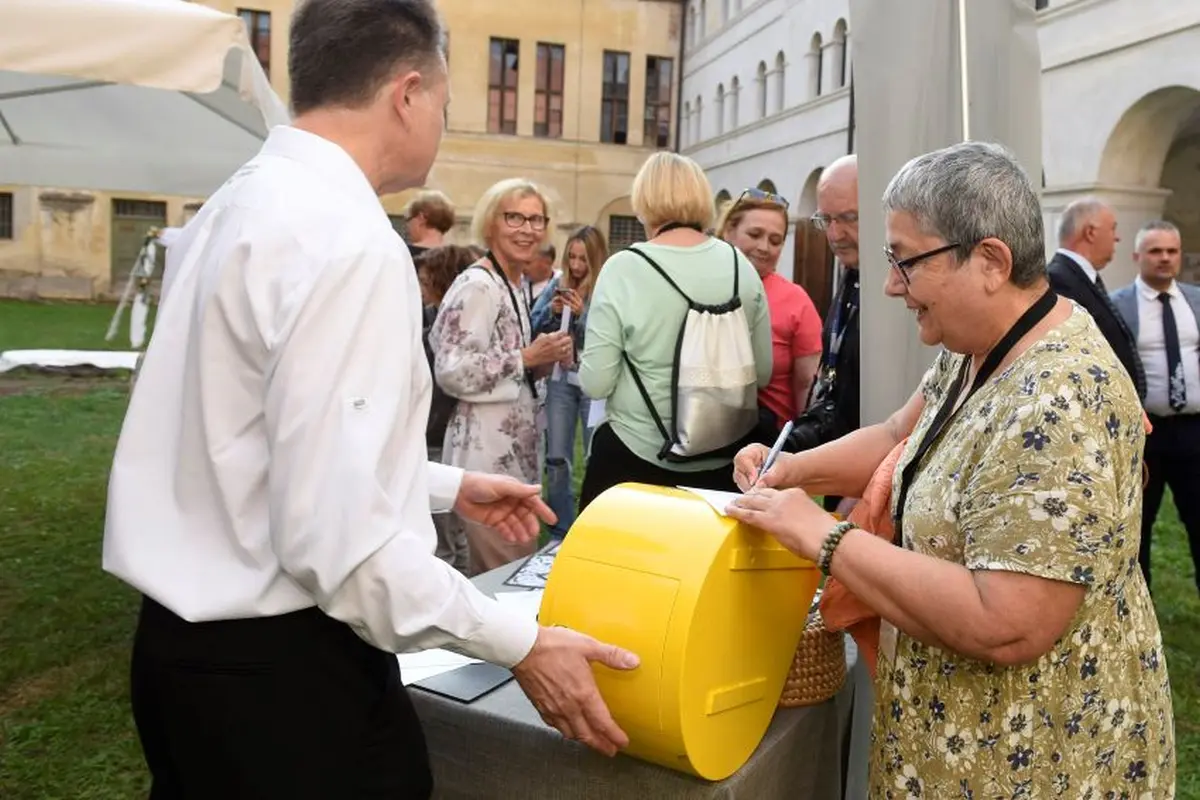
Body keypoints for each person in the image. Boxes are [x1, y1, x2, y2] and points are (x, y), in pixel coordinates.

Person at [102, 2, 638, 797]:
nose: (444, 124)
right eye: (449, 105)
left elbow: (245, 438)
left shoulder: (237, 205)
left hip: (180, 656)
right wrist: (520, 642)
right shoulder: (347, 240)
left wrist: (447, 485)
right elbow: (344, 546)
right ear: (408, 93)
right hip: (283, 678)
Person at [728, 141, 1175, 796]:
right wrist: (790, 470)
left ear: (990, 261)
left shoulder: (1058, 396)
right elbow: (896, 436)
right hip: (959, 745)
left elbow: (1008, 622)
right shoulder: (982, 344)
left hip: (1040, 757)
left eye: (906, 261)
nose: (889, 285)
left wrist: (824, 538)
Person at [577, 152, 772, 508]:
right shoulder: (739, 264)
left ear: (644, 202)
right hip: (725, 464)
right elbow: (761, 373)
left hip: (636, 457)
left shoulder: (624, 268)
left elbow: (596, 382)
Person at [430, 178, 574, 574]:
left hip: (510, 452)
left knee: (504, 568)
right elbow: (452, 369)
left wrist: (541, 361)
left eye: (535, 219)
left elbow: (507, 365)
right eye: (514, 217)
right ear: (490, 222)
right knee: (495, 574)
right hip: (485, 456)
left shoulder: (511, 281)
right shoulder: (479, 285)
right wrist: (526, 356)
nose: (527, 229)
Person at [1111, 220, 1200, 594]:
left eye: (1171, 251)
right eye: (1155, 251)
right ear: (1137, 257)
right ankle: (1138, 612)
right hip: (1144, 435)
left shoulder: (1196, 300)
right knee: (1138, 528)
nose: (1165, 258)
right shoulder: (1117, 307)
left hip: (1194, 431)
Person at [716, 188, 823, 437]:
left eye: (776, 241)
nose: (764, 247)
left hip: (769, 441)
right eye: (754, 234)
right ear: (729, 231)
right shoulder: (701, 286)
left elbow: (807, 384)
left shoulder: (796, 301)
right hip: (699, 435)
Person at [530, 225, 610, 537]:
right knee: (557, 457)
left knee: (594, 456)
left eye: (583, 260)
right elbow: (533, 326)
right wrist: (552, 311)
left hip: (593, 382)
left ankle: (591, 528)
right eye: (572, 258)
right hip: (561, 380)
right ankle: (560, 530)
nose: (576, 266)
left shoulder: (606, 288)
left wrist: (584, 313)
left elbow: (610, 335)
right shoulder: (556, 285)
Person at [415, 244, 478, 574]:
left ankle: (457, 585)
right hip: (431, 432)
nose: (421, 286)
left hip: (440, 432)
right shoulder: (428, 319)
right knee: (446, 531)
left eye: (426, 280)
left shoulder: (448, 330)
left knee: (446, 535)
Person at [1047, 197, 1146, 398]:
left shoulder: (1082, 277)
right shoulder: (1059, 279)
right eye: (1112, 229)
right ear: (1091, 232)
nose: (1117, 238)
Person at [404, 189, 456, 258]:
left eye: (409, 219)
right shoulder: (458, 257)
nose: (407, 226)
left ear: (421, 218)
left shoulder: (404, 255)